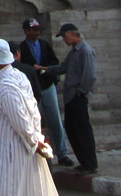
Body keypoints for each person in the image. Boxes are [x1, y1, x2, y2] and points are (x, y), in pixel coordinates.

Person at [0, 38, 78, 196]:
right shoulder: (17, 78)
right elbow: (33, 112)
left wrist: (34, 141)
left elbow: (22, 119)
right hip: (17, 150)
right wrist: (36, 139)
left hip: (10, 156)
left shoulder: (7, 86)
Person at [38, 22, 98, 174]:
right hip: (71, 97)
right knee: (73, 130)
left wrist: (81, 90)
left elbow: (90, 75)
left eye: (65, 36)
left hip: (77, 96)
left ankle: (90, 163)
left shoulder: (85, 50)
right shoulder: (74, 52)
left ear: (72, 34)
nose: (64, 40)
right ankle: (84, 162)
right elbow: (63, 67)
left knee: (82, 130)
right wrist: (45, 69)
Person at [18, 17, 74, 168]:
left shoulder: (44, 45)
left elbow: (54, 62)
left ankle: (62, 153)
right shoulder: (22, 48)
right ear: (26, 31)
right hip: (32, 90)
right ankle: (41, 153)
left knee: (55, 120)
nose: (36, 32)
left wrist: (45, 70)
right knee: (36, 122)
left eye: (37, 30)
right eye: (33, 30)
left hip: (47, 86)